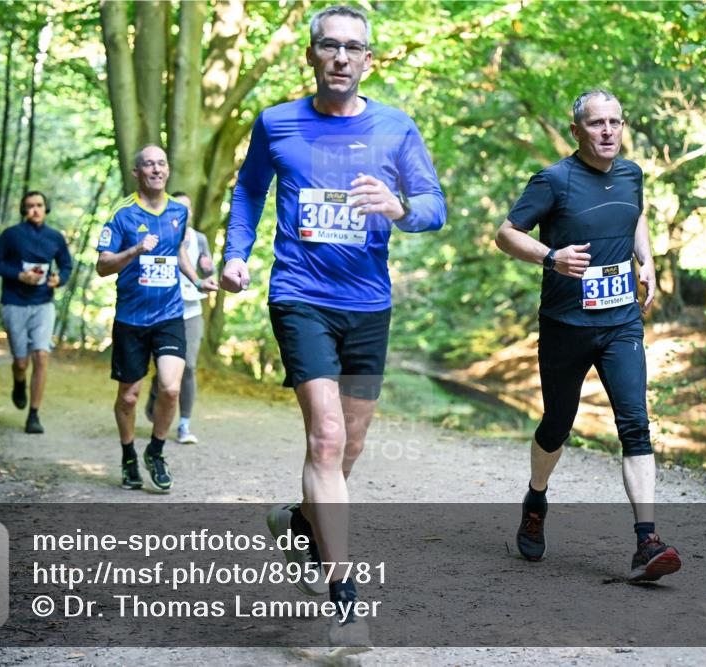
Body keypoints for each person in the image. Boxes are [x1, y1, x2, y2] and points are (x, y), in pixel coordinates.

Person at [221, 5, 446, 651]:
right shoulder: (277, 123)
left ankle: (299, 521)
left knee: (350, 445)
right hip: (300, 295)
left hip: (368, 303)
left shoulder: (396, 127)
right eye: (329, 46)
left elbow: (434, 207)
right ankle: (345, 600)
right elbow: (249, 191)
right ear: (312, 55)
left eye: (353, 47)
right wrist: (236, 254)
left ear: (369, 59)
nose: (341, 57)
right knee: (325, 439)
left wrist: (399, 207)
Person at [495, 90, 682, 583]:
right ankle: (536, 499)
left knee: (635, 424)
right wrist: (550, 257)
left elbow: (636, 215)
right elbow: (505, 234)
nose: (608, 131)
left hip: (621, 322)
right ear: (576, 130)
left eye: (615, 122)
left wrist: (647, 260)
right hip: (566, 325)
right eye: (597, 123)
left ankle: (647, 542)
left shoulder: (632, 174)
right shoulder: (553, 180)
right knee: (558, 424)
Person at [96, 146, 217, 492]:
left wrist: (197, 281)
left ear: (168, 169)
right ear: (137, 172)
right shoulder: (122, 214)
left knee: (170, 387)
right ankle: (128, 456)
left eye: (161, 163)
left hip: (169, 314)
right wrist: (135, 250)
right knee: (129, 396)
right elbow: (102, 266)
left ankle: (156, 451)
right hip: (131, 318)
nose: (156, 169)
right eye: (148, 164)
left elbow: (178, 252)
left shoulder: (179, 211)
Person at [0, 190, 73, 434]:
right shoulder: (11, 235)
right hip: (14, 302)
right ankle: (19, 381)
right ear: (24, 210)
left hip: (43, 303)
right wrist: (19, 275)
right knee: (21, 361)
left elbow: (66, 265)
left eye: (39, 205)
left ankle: (34, 415)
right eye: (30, 206)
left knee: (41, 355)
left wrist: (59, 279)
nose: (35, 210)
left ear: (46, 208)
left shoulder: (55, 237)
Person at [144, 191, 214, 445]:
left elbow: (210, 270)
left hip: (192, 310)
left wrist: (208, 269)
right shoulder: (159, 234)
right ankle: (157, 389)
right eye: (178, 207)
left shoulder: (200, 239)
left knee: (189, 367)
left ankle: (184, 424)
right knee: (164, 367)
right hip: (164, 310)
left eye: (187, 208)